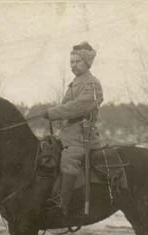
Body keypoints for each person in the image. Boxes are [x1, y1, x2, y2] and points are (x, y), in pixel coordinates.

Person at [40, 42, 103, 216]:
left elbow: (77, 107)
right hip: (69, 133)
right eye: (71, 62)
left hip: (83, 135)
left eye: (77, 61)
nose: (73, 65)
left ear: (87, 63)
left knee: (69, 158)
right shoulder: (74, 83)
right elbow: (66, 107)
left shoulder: (93, 84)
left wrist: (52, 113)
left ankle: (62, 204)